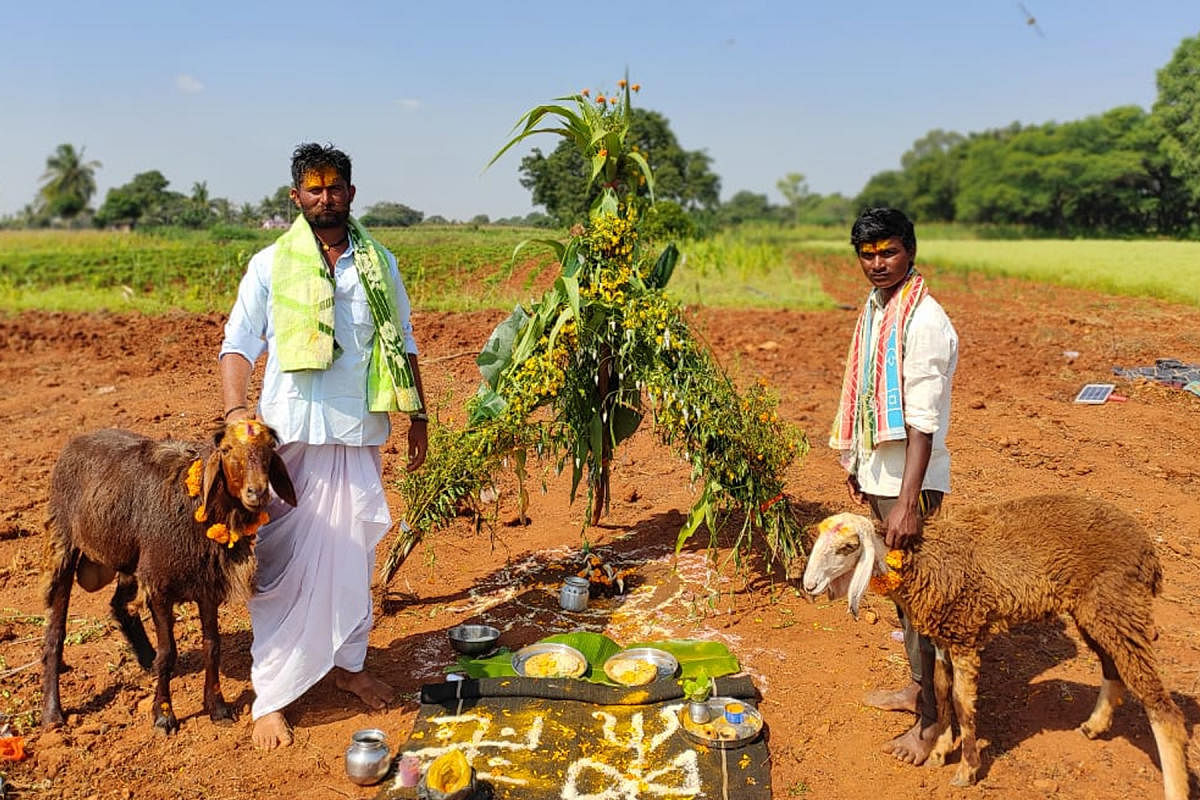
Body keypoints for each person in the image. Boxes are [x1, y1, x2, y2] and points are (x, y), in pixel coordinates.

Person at [219, 143, 429, 750]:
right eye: (313, 189)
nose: (325, 198)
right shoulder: (268, 264)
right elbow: (238, 343)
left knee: (352, 559)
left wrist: (418, 417)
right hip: (290, 444)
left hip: (356, 433)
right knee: (281, 567)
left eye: (335, 187)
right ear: (296, 198)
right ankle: (273, 692)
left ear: (351, 193)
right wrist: (237, 413)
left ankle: (348, 664)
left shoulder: (379, 264)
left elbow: (404, 341)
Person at [829, 207, 958, 766]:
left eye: (889, 252)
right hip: (885, 476)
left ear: (910, 250)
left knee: (925, 604)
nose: (878, 263)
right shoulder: (878, 310)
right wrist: (862, 468)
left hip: (913, 486)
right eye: (868, 254)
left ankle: (932, 723)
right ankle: (918, 689)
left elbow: (923, 419)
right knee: (904, 597)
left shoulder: (923, 320)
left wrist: (906, 503)